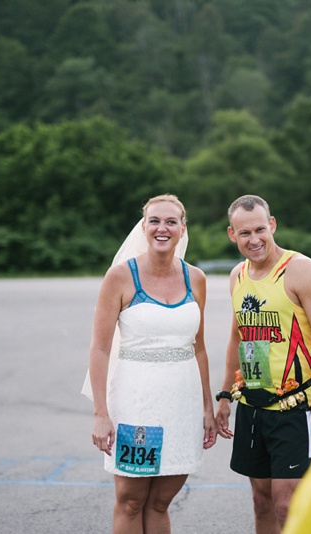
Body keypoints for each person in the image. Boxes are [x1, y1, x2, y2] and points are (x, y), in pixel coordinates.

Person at [88, 194, 217, 533]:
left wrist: (208, 406)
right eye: (155, 221)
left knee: (160, 502)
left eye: (171, 221)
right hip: (138, 406)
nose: (163, 228)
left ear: (182, 228)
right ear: (143, 226)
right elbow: (100, 349)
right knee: (131, 500)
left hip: (182, 406)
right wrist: (101, 414)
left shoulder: (197, 279)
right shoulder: (120, 277)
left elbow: (199, 348)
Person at [214, 195, 311, 533]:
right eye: (244, 233)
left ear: (272, 225)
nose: (254, 240)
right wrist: (225, 395)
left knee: (290, 505)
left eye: (259, 229)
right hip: (253, 404)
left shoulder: (299, 270)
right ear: (232, 235)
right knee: (262, 501)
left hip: (293, 408)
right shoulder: (237, 276)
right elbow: (237, 339)